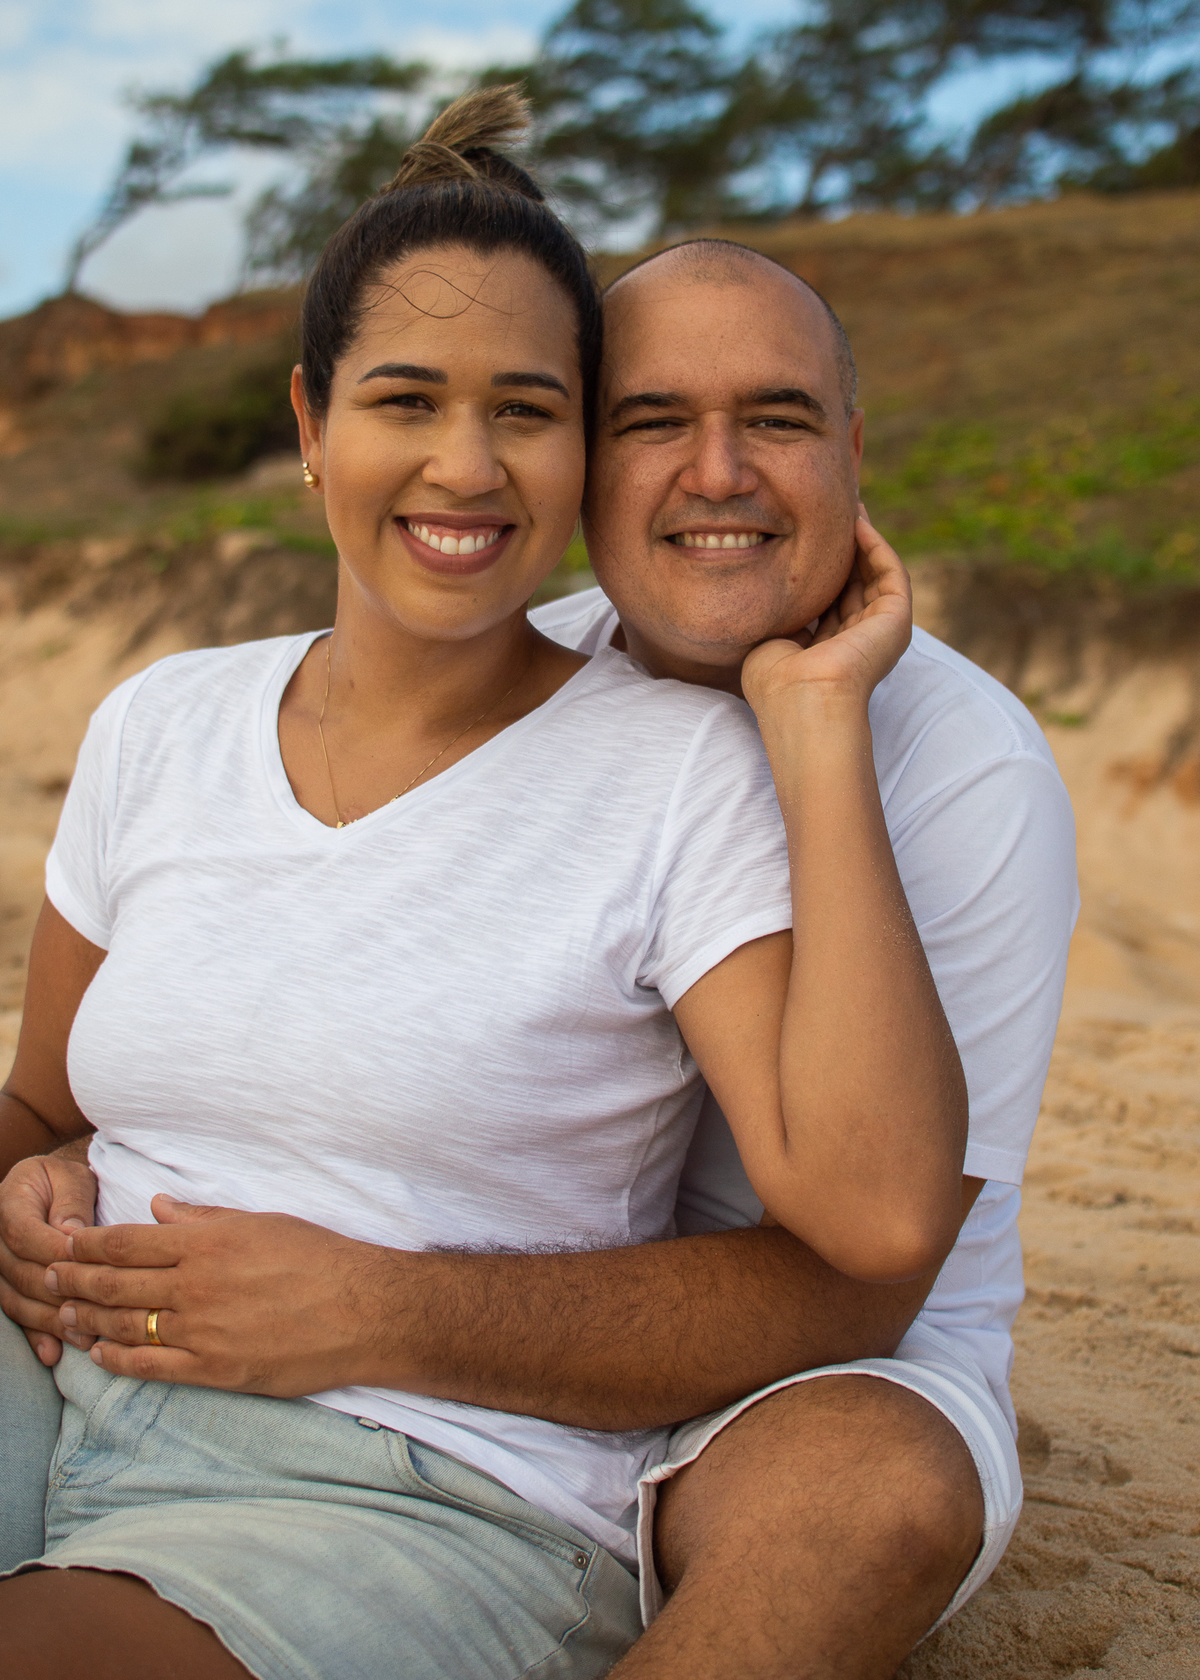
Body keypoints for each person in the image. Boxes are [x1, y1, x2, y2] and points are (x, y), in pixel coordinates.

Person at [0, 92, 969, 1680]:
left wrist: (816, 724)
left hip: (409, 1484)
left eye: (528, 408)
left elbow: (872, 1212)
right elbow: (41, 1106)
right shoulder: (158, 723)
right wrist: (15, 1193)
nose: (466, 465)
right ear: (312, 424)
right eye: (405, 400)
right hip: (55, 1375)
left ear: (581, 449)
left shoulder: (675, 773)